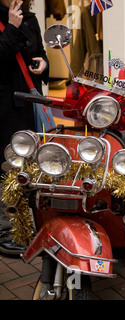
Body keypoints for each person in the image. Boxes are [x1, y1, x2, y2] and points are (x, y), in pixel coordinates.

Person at [0, 0, 49, 255]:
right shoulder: (14, 21)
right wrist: (11, 27)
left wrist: (43, 65)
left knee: (29, 165)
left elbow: (41, 55)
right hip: (5, 109)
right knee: (7, 166)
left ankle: (27, 226)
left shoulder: (30, 18)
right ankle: (6, 229)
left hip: (29, 104)